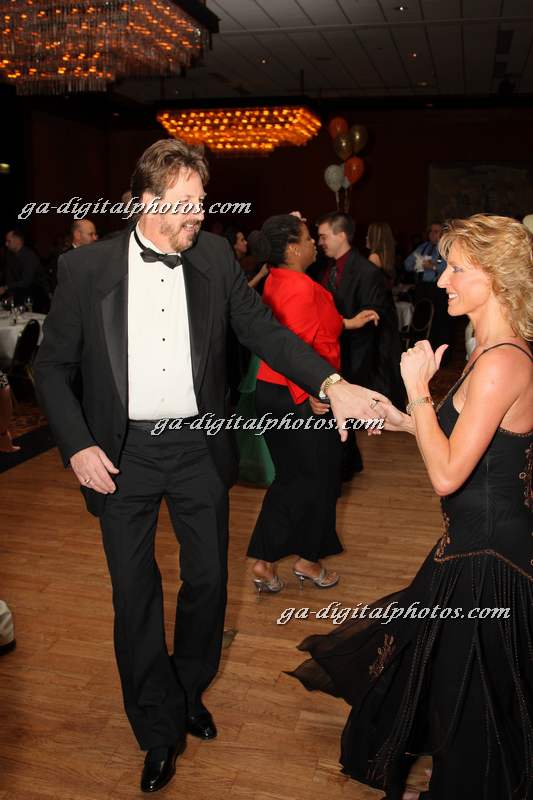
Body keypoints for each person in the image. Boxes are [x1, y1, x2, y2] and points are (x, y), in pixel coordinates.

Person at [34, 138, 388, 795]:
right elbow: (51, 368)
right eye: (187, 202)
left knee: (207, 581)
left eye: (202, 200)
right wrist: (78, 444)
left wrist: (331, 383)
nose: (201, 213)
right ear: (146, 201)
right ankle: (156, 724)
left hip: (198, 446)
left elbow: (265, 331)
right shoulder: (86, 268)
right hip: (120, 454)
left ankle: (186, 688)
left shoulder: (215, 257)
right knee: (134, 591)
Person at [289, 213, 533, 800]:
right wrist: (400, 418)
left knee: (472, 706)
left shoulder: (502, 361)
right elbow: (463, 440)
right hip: (470, 544)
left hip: (488, 559)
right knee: (449, 684)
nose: (441, 279)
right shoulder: (491, 349)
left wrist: (419, 388)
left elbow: (447, 475)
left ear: (496, 277)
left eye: (457, 268)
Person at [248, 214, 379, 592]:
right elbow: (292, 348)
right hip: (302, 395)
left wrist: (349, 322)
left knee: (294, 479)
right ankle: (307, 560)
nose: (313, 244)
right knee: (321, 481)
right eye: (307, 238)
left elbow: (311, 328)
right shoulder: (301, 288)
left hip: (277, 393)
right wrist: (310, 394)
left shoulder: (278, 279)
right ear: (292, 249)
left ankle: (266, 563)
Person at [318, 211, 387, 478]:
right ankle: (349, 461)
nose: (320, 242)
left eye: (324, 236)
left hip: (352, 354)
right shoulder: (323, 268)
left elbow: (374, 317)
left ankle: (344, 465)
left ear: (341, 235)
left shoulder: (367, 271)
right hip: (329, 351)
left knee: (341, 412)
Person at [365, 222, 405, 409]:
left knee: (380, 359)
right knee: (388, 356)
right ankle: (392, 401)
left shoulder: (373, 257)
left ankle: (381, 403)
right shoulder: (387, 257)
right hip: (389, 310)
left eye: (368, 234)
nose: (365, 238)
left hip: (380, 311)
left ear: (375, 237)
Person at [0, 229, 50, 312]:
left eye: (9, 241)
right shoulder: (10, 255)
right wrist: (11, 294)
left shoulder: (29, 256)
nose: (6, 244)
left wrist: (6, 288)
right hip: (20, 294)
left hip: (36, 295)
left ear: (17, 241)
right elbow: (10, 277)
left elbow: (27, 281)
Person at [367, 221, 396, 287]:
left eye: (369, 235)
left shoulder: (374, 257)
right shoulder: (385, 257)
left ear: (375, 238)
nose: (366, 237)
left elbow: (368, 284)